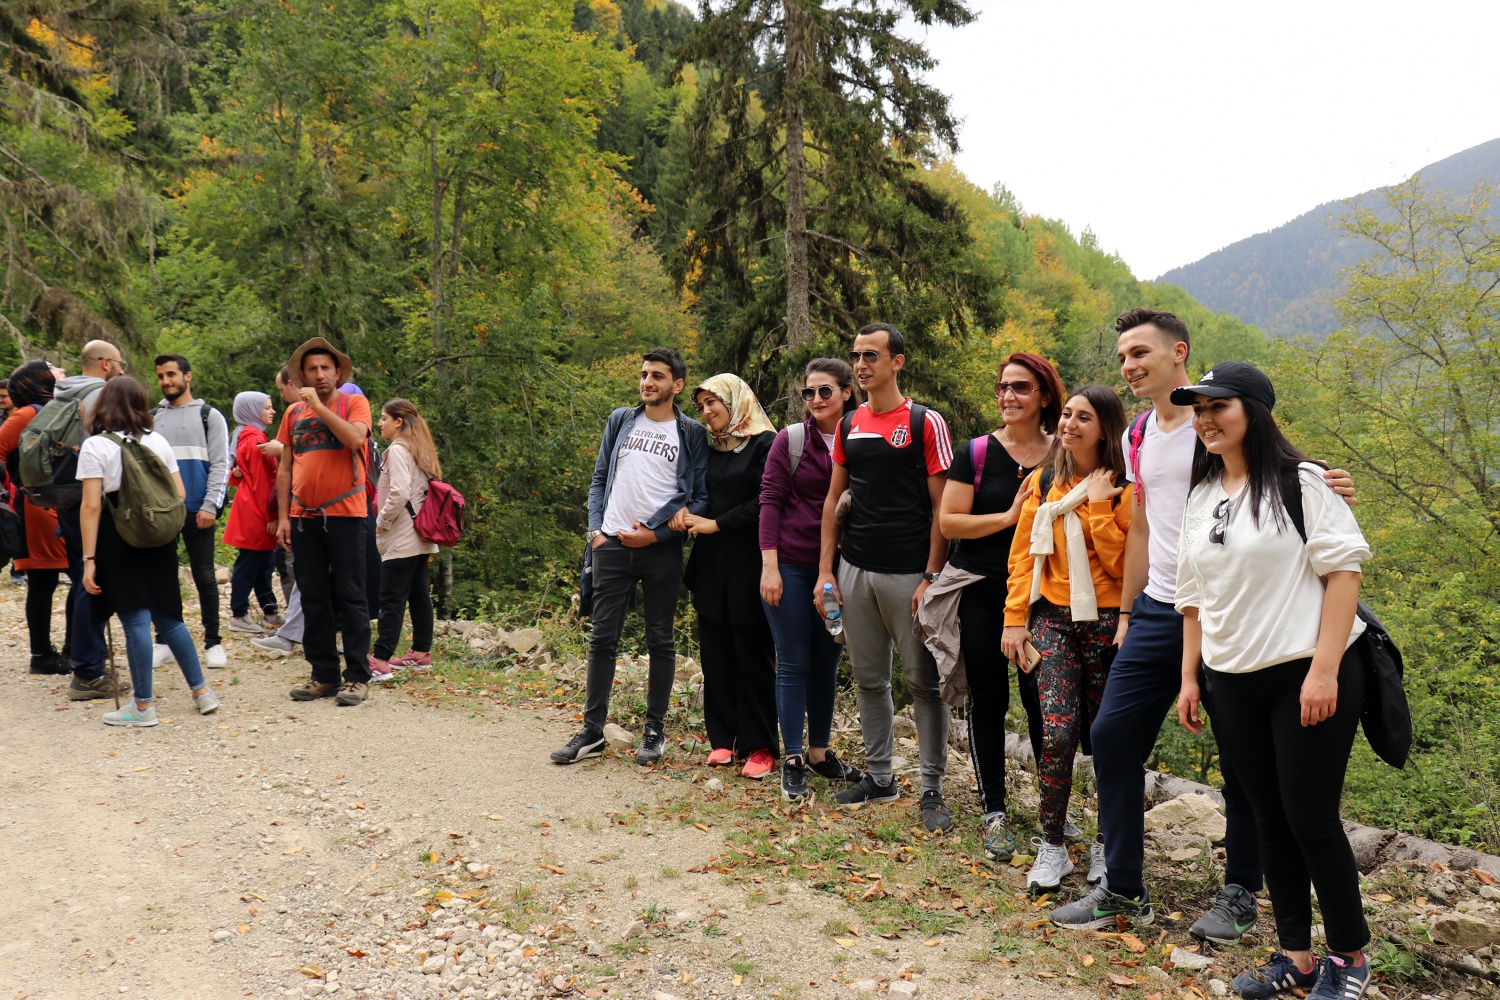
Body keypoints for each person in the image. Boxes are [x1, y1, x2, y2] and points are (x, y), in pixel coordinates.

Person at [1053, 308, 1354, 934]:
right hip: (1164, 608)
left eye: (1140, 353)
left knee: (1243, 759)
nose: (1129, 366)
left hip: (1234, 615)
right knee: (1111, 735)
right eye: (1122, 358)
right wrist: (1130, 610)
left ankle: (1241, 890)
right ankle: (1122, 887)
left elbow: (1273, 468)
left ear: (1178, 354)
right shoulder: (1138, 434)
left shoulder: (1210, 422)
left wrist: (1326, 480)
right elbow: (1142, 526)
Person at [1172, 362, 1373, 1000]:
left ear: (1253, 411)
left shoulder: (1300, 483)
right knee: (1268, 818)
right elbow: (1194, 594)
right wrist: (1190, 676)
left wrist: (1325, 668)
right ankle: (1298, 956)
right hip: (1230, 677)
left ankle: (1350, 960)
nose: (1205, 419)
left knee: (1310, 816)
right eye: (1197, 409)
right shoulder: (1202, 495)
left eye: (1217, 406)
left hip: (1303, 673)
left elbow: (1344, 572)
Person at [817, 322, 955, 831]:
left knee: (923, 681)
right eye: (856, 356)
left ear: (897, 362)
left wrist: (931, 576)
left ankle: (932, 789)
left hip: (909, 574)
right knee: (869, 678)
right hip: (855, 568)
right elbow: (834, 500)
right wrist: (826, 571)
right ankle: (879, 778)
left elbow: (943, 507)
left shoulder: (924, 422)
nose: (861, 364)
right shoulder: (849, 422)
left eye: (871, 356)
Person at [1001, 385, 1132, 891]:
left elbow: (1124, 567)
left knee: (1107, 742)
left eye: (1084, 417)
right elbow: (1022, 558)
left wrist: (1098, 508)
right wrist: (1015, 620)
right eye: (1068, 415)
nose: (1070, 425)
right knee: (1056, 735)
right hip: (1050, 619)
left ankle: (1106, 845)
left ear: (1106, 428)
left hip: (1108, 625)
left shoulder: (1123, 487)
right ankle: (1052, 845)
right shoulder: (1044, 482)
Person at [551, 347, 708, 766]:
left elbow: (701, 496)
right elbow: (600, 477)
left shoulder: (691, 432)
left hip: (660, 550)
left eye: (657, 376)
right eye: (643, 374)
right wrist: (595, 531)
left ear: (676, 385)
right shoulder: (621, 419)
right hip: (611, 545)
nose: (647, 382)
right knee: (603, 639)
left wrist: (654, 534)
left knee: (660, 639)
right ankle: (592, 731)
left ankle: (654, 732)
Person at [936, 352, 1062, 862]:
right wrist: (1011, 515)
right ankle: (994, 812)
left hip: (1043, 597)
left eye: (1021, 388)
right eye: (1003, 388)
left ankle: (1053, 811)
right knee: (989, 701)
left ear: (1044, 396)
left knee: (1042, 706)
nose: (1008, 396)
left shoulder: (1065, 452)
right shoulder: (979, 451)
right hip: (985, 591)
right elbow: (949, 523)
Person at [76, 376, 219, 726]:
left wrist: (88, 559)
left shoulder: (96, 446)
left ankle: (142, 707)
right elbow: (181, 493)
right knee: (169, 619)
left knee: (135, 620)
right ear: (141, 404)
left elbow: (91, 507)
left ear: (103, 405)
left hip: (118, 539)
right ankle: (202, 693)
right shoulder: (158, 440)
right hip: (159, 539)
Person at [759, 358, 867, 802]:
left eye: (825, 391)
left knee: (827, 661)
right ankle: (792, 758)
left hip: (843, 569)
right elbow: (769, 501)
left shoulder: (862, 438)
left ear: (846, 393)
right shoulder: (793, 440)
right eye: (809, 392)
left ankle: (820, 753)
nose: (817, 400)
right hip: (790, 565)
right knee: (794, 661)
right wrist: (769, 566)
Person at [682, 373, 778, 778]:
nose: (706, 412)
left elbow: (765, 502)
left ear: (734, 401)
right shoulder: (710, 446)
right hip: (710, 566)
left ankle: (761, 745)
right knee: (716, 655)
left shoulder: (764, 444)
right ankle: (723, 739)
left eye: (713, 403)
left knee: (752, 655)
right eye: (701, 405)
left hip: (750, 561)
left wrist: (715, 524)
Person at [275, 338, 374, 706]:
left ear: (337, 373)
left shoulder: (353, 403)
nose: (319, 375)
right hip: (303, 518)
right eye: (312, 369)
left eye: (325, 369)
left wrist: (318, 406)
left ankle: (357, 676)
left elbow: (354, 439)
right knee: (313, 597)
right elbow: (286, 467)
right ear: (302, 374)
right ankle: (324, 675)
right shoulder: (292, 415)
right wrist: (283, 517)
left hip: (346, 514)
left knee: (351, 595)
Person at [55, 340, 128, 700]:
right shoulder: (102, 395)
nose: (122, 370)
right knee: (93, 581)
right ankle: (87, 672)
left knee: (79, 581)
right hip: (90, 503)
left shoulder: (60, 393)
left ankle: (82, 655)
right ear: (105, 363)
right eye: (119, 363)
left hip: (63, 500)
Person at [152, 354, 231, 669]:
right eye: (160, 376)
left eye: (171, 374)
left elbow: (221, 464)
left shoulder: (209, 415)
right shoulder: (152, 417)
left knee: (204, 576)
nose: (166, 381)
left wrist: (211, 505)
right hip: (161, 512)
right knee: (162, 577)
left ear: (188, 376)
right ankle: (164, 640)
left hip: (199, 510)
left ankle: (213, 642)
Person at [0, 360, 72, 673]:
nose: (61, 370)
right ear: (38, 380)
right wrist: (11, 487)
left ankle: (72, 648)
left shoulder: (57, 408)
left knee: (56, 578)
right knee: (44, 580)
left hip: (54, 503)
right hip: (36, 507)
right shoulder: (29, 412)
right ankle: (43, 656)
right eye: (53, 368)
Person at [368, 398, 441, 682]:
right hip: (421, 534)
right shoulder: (420, 449)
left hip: (402, 536)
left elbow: (397, 492)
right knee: (418, 595)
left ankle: (381, 660)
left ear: (398, 421)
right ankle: (421, 653)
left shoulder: (397, 450)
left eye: (384, 418)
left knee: (391, 598)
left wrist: (382, 522)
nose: (380, 423)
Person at [253, 368, 306, 657]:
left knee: (296, 570)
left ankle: (295, 634)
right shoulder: (294, 416)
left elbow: (296, 468)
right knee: (297, 571)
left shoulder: (306, 415)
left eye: (281, 391)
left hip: (314, 512)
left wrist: (284, 450)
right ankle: (293, 633)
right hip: (298, 511)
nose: (280, 399)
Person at [223, 391, 281, 633]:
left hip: (250, 507)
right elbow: (262, 483)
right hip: (257, 512)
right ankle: (238, 615)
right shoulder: (255, 440)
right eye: (267, 407)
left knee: (263, 563)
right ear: (252, 411)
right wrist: (272, 515)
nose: (273, 411)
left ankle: (270, 612)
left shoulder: (244, 437)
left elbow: (238, 474)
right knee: (249, 564)